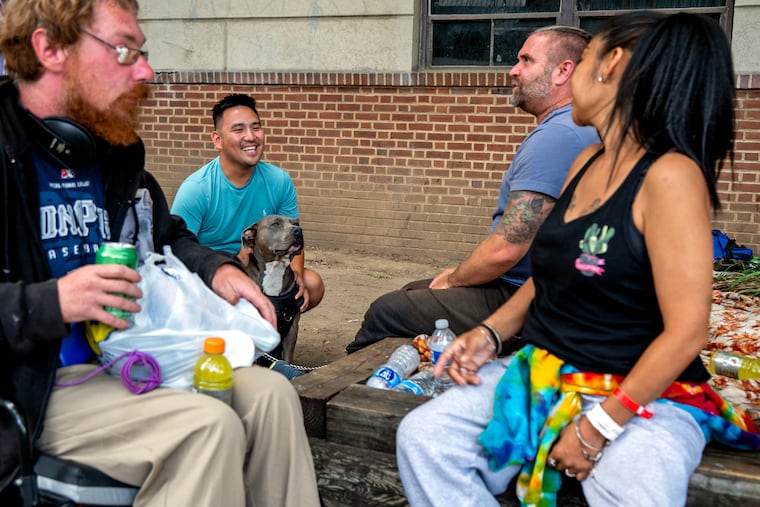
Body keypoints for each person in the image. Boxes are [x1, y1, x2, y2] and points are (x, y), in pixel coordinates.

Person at [397, 12, 760, 507]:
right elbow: (549, 278)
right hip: (546, 372)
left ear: (612, 63)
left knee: (634, 491)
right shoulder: (583, 162)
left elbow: (687, 333)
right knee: (427, 438)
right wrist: (488, 334)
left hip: (641, 396)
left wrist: (599, 426)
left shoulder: (671, 176)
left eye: (585, 59)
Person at [0, 1, 320, 506]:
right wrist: (53, 301)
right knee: (207, 426)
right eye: (125, 50)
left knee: (275, 397)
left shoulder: (112, 152)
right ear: (49, 49)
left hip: (132, 359)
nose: (146, 70)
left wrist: (216, 270)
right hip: (32, 388)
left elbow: (165, 232)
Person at [345, 25, 599, 354]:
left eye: (526, 60)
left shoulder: (556, 137)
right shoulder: (575, 128)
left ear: (564, 71)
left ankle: (347, 396)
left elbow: (507, 249)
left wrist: (456, 279)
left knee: (387, 311)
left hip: (528, 298)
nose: (513, 70)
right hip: (542, 288)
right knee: (413, 292)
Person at [171, 93, 324, 315]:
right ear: (217, 139)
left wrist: (296, 275)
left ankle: (271, 334)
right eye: (238, 129)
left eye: (256, 127)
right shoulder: (197, 188)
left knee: (312, 283)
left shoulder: (279, 180)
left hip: (260, 270)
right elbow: (175, 251)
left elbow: (294, 238)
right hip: (214, 276)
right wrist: (224, 265)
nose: (250, 136)